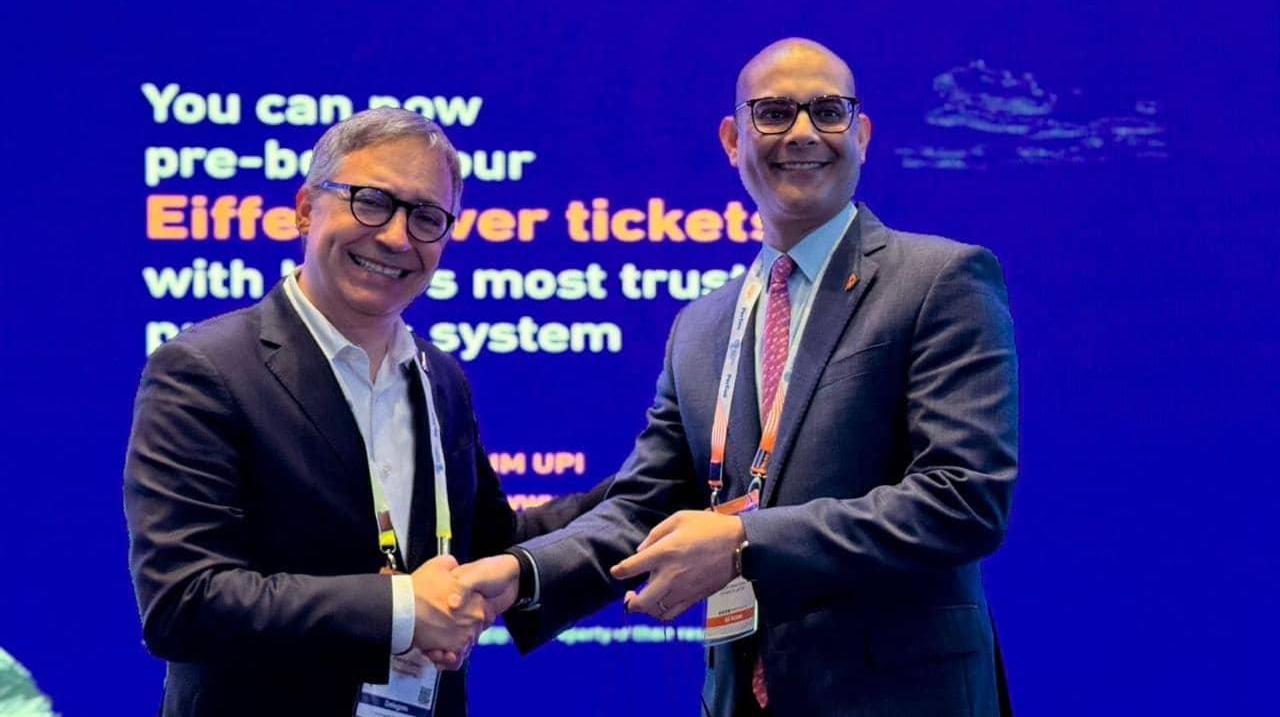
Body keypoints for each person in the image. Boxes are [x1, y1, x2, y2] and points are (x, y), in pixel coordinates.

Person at [460, 38, 1018, 716]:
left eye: (828, 111)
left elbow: (962, 499)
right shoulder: (700, 326)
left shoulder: (939, 280)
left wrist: (744, 543)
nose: (803, 133)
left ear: (862, 134)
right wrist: (519, 575)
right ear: (733, 139)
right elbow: (642, 507)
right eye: (774, 113)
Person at [123, 108, 608, 717]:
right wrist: (403, 611)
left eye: (426, 216)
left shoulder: (439, 377)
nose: (398, 238)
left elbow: (490, 548)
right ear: (306, 208)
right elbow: (184, 603)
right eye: (372, 201)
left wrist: (656, 486)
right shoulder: (205, 369)